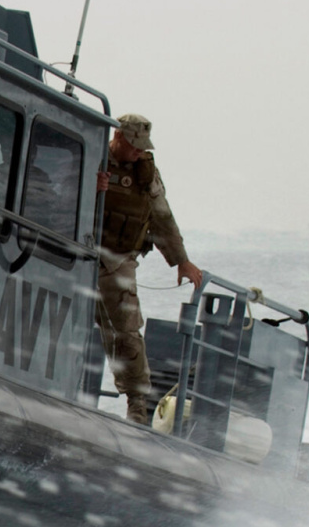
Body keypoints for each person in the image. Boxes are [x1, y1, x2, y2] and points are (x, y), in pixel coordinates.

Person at [96, 113, 202, 425]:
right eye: (133, 145)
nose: (138, 152)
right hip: (78, 250)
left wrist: (180, 259)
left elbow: (161, 217)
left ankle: (137, 406)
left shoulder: (146, 173)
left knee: (127, 331)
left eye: (143, 147)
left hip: (117, 258)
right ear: (118, 137)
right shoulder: (92, 154)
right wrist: (91, 187)